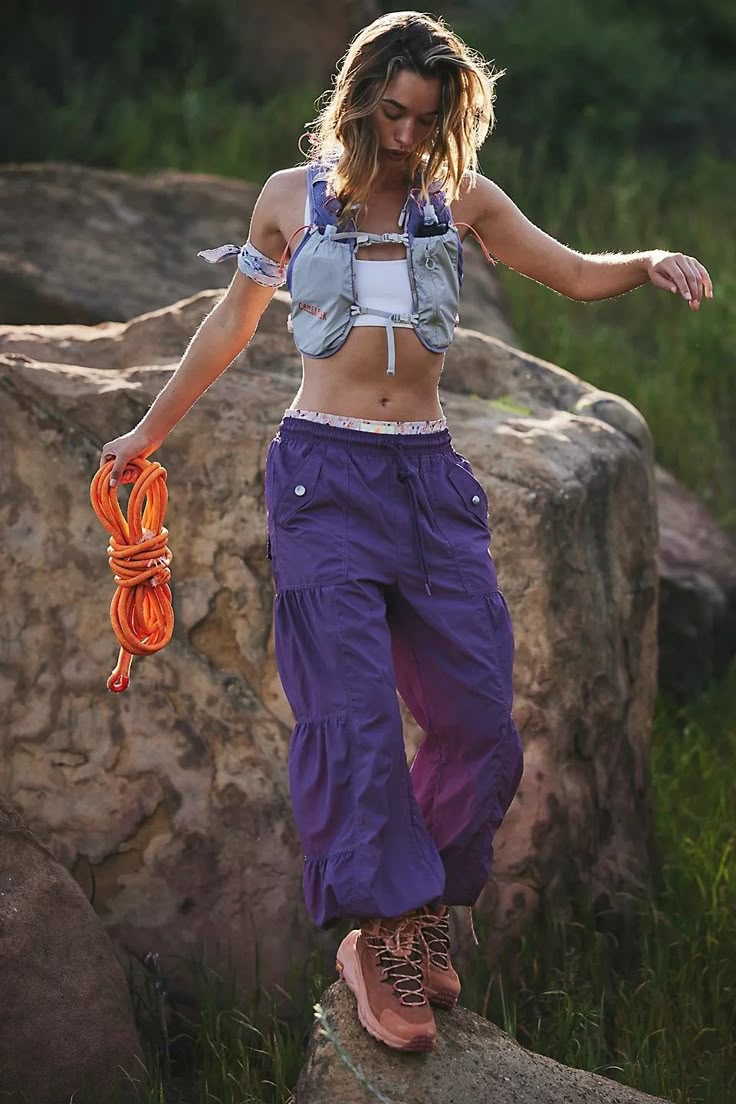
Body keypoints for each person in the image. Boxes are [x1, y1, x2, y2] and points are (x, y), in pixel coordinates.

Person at [99, 10, 712, 1054]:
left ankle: (417, 903)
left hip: (427, 481)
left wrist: (646, 257)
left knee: (479, 725)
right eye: (391, 113)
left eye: (427, 120)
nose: (406, 138)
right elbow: (231, 323)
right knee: (355, 722)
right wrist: (148, 431)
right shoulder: (289, 203)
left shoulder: (458, 199)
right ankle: (380, 934)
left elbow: (565, 270)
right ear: (358, 98)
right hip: (322, 481)